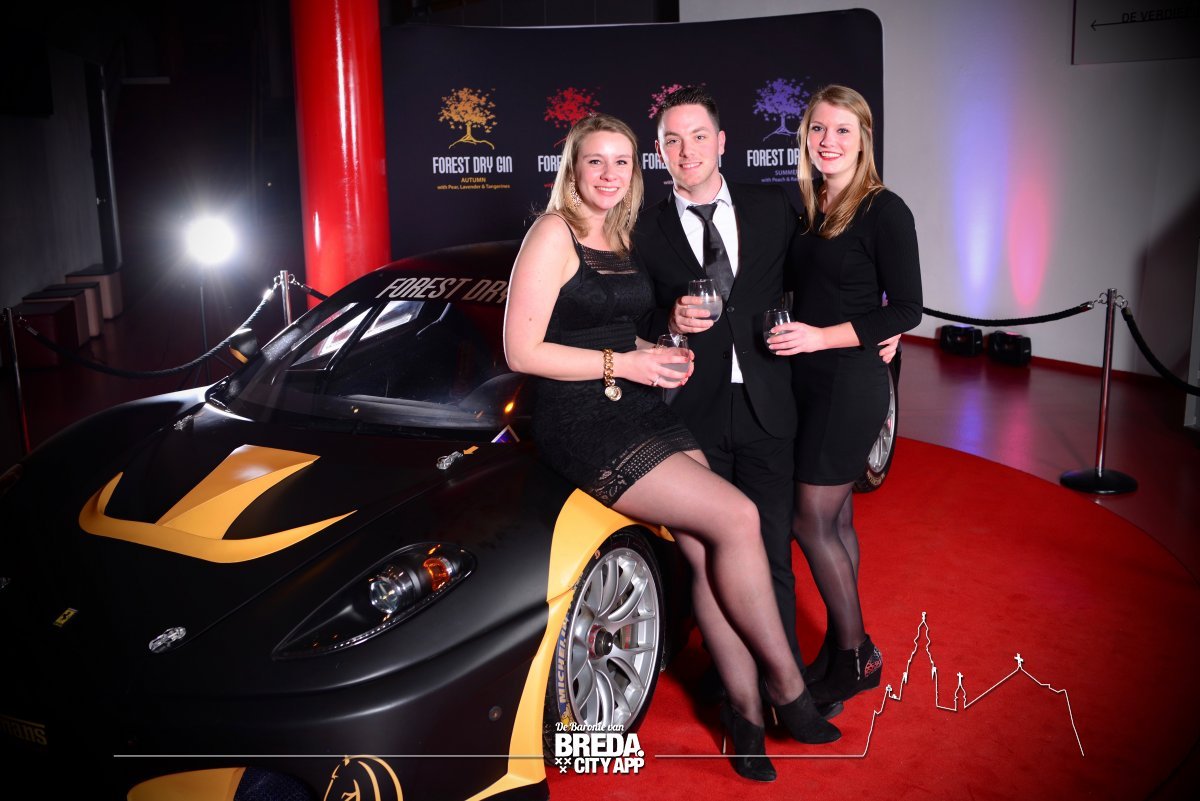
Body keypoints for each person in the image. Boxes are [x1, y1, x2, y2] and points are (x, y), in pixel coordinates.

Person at [504, 113, 838, 782]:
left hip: (637, 405)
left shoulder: (619, 231)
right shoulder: (552, 233)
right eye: (595, 161)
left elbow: (612, 326)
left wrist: (652, 351)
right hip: (581, 419)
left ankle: (744, 715)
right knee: (737, 516)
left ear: (636, 170)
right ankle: (787, 689)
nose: (608, 174)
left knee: (706, 545)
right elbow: (522, 350)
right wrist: (625, 363)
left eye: (621, 162)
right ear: (573, 168)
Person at [633, 86, 897, 694]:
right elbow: (628, 315)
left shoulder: (775, 206)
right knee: (710, 553)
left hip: (771, 408)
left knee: (774, 548)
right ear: (659, 152)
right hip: (691, 414)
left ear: (722, 142)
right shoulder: (643, 228)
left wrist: (886, 326)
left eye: (699, 136)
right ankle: (733, 684)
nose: (687, 151)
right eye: (673, 140)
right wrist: (667, 319)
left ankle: (787, 686)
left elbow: (835, 276)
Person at [767, 85, 923, 705]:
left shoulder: (885, 210)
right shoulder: (809, 205)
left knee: (808, 519)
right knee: (836, 518)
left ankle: (857, 656)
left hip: (849, 382)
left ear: (863, 140)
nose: (828, 141)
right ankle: (840, 646)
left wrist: (822, 336)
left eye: (842, 131)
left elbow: (906, 307)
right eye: (818, 129)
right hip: (807, 378)